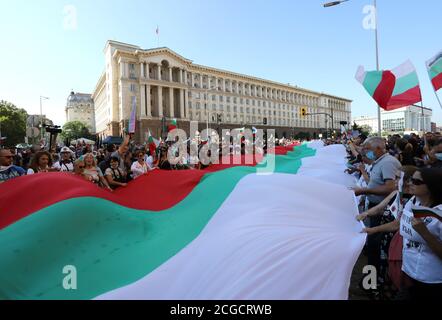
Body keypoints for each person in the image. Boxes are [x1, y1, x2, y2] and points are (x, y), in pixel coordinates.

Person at [353, 137, 402, 288]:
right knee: (373, 246)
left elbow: (390, 188)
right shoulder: (380, 162)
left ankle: (373, 283)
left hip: (383, 212)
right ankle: (371, 281)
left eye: (368, 149)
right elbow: (377, 183)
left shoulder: (387, 163)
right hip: (376, 208)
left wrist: (365, 190)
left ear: (379, 149)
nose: (366, 152)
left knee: (377, 247)